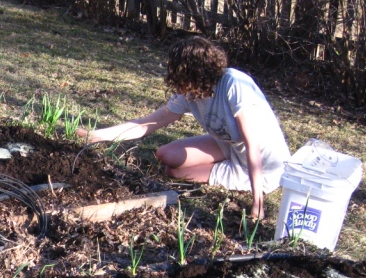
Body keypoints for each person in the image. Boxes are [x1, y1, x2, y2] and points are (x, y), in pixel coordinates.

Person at [83, 37, 290, 219]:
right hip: (228, 145)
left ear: (196, 72)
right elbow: (146, 124)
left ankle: (235, 175)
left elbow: (252, 144)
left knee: (173, 172)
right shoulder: (189, 92)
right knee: (166, 156)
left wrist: (257, 202)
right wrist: (95, 136)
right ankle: (220, 161)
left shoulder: (234, 84)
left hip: (261, 164)